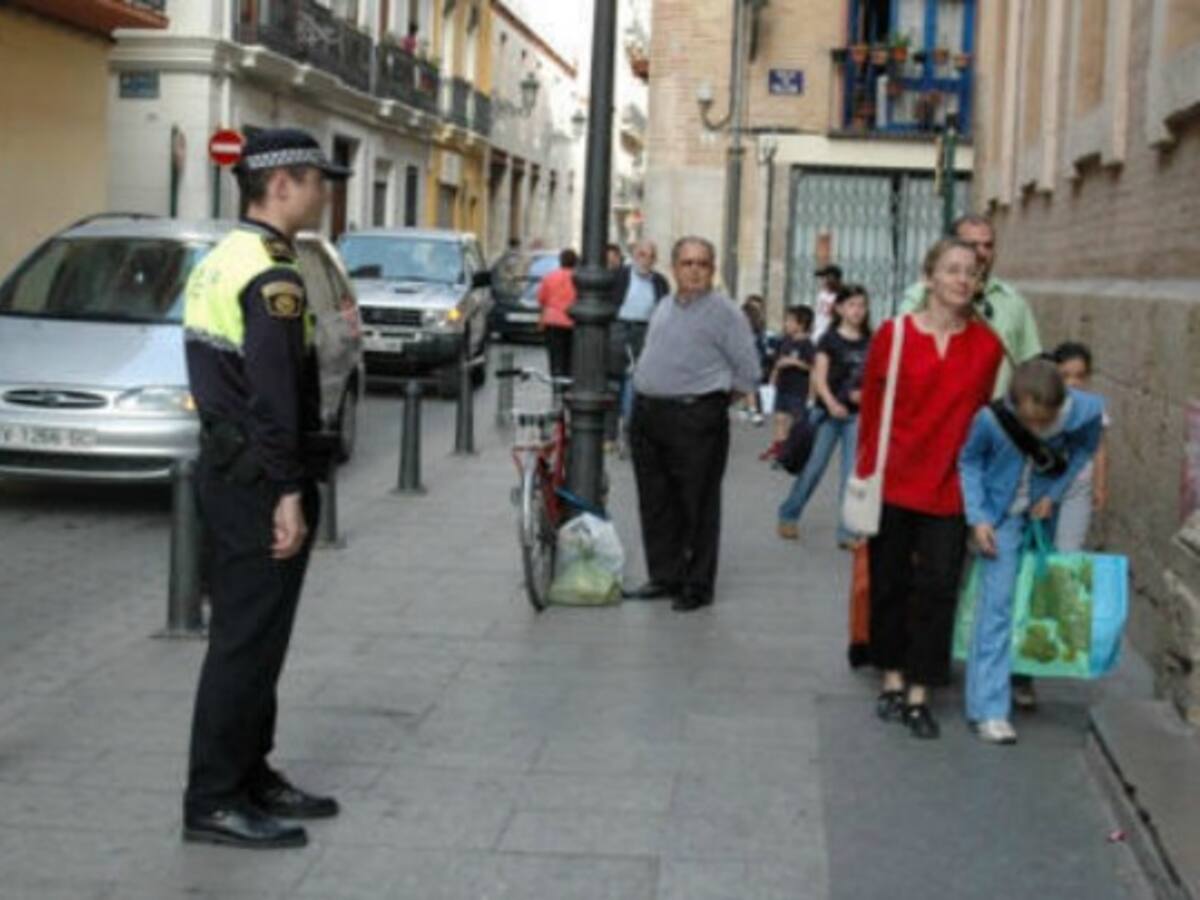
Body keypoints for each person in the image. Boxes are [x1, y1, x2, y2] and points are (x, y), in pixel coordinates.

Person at [182, 128, 349, 849]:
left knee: (255, 637)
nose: (326, 191)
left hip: (230, 473)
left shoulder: (230, 257)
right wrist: (288, 490)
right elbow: (275, 396)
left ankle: (251, 771)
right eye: (318, 179)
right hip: (258, 482)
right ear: (281, 184)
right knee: (246, 642)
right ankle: (215, 798)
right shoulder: (269, 276)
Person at [860, 238, 1004, 740]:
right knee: (890, 582)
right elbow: (873, 414)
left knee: (939, 588)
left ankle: (922, 689)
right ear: (930, 277)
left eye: (972, 272)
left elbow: (985, 424)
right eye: (952, 270)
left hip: (950, 487)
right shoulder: (893, 335)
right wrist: (863, 478)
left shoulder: (988, 347)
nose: (962, 279)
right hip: (893, 480)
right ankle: (892, 678)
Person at [958, 359, 1105, 743]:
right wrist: (979, 518)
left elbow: (1086, 449)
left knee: (1036, 599)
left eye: (1046, 421)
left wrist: (1054, 495)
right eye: (1030, 421)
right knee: (998, 604)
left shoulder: (1084, 412)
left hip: (1043, 513)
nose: (1037, 428)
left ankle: (1021, 677)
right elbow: (969, 461)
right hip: (1001, 514)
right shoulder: (991, 420)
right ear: (1017, 403)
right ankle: (989, 709)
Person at [626, 237, 762, 612]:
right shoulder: (665, 305)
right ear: (674, 268)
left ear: (712, 268)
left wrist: (709, 402)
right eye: (687, 263)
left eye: (702, 263)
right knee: (656, 501)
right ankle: (665, 575)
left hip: (695, 418)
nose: (694, 270)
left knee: (697, 504)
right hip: (649, 415)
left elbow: (748, 372)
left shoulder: (725, 313)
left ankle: (697, 585)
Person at [899, 214, 1041, 397]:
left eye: (988, 245)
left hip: (995, 415)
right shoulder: (921, 295)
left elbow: (1029, 363)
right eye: (972, 245)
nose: (981, 253)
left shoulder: (1013, 301)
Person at [776, 287, 871, 546]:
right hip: (827, 415)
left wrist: (864, 395)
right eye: (852, 305)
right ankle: (789, 514)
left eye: (862, 305)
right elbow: (818, 376)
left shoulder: (869, 340)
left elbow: (872, 377)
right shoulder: (829, 340)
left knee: (851, 476)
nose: (857, 311)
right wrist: (830, 403)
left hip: (855, 417)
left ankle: (847, 532)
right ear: (839, 309)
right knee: (814, 469)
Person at [605, 239, 671, 447]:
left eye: (650, 256)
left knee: (637, 383)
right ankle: (609, 434)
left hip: (645, 332)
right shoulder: (620, 275)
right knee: (613, 383)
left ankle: (630, 431)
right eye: (642, 255)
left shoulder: (660, 281)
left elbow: (665, 308)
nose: (646, 260)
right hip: (619, 328)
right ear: (634, 256)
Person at [1052, 342, 1110, 551]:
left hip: (1079, 487)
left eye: (1080, 376)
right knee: (1041, 544)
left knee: (1068, 549)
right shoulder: (1043, 404)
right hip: (1044, 487)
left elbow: (1100, 448)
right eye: (1065, 376)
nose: (1073, 382)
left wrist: (1100, 486)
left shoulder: (1093, 408)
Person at [761, 305, 815, 462]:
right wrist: (773, 377)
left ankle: (791, 451)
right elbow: (778, 362)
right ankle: (778, 447)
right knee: (779, 418)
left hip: (798, 390)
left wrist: (795, 362)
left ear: (801, 324)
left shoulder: (808, 345)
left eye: (790, 321)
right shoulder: (785, 341)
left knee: (794, 422)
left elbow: (812, 367)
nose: (786, 324)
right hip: (783, 386)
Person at [536, 248, 578, 378]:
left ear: (560, 261)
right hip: (573, 321)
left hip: (552, 320)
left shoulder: (549, 277)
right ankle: (568, 381)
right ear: (575, 262)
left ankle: (556, 383)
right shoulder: (579, 278)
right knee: (570, 356)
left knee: (555, 355)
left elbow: (541, 299)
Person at [741, 295, 777, 426]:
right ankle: (752, 409)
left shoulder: (761, 328)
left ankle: (750, 408)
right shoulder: (742, 325)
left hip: (757, 358)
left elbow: (764, 342)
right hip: (746, 358)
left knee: (751, 384)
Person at [813, 264, 843, 341]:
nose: (822, 281)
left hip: (830, 335)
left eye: (824, 278)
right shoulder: (822, 294)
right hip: (817, 333)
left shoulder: (840, 296)